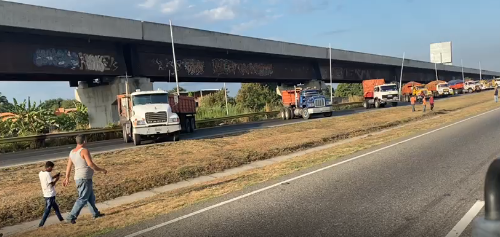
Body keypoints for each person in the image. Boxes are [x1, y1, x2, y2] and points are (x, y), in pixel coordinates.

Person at [63, 134, 107, 224]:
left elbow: (69, 166)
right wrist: (101, 170)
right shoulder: (84, 151)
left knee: (90, 198)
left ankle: (96, 214)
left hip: (79, 178)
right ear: (84, 141)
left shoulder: (72, 152)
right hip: (84, 178)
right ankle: (70, 217)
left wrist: (66, 177)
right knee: (82, 198)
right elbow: (90, 164)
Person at [38, 161, 64, 227]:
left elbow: (46, 180)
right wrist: (57, 179)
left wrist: (54, 176)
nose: (52, 169)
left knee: (55, 207)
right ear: (49, 167)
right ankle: (41, 223)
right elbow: (51, 184)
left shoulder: (41, 173)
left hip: (45, 193)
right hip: (50, 194)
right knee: (48, 208)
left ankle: (61, 219)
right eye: (52, 168)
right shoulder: (48, 174)